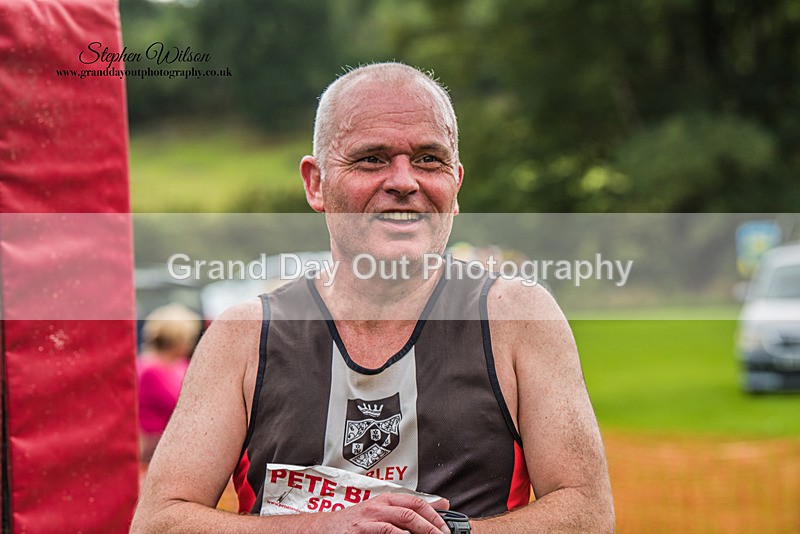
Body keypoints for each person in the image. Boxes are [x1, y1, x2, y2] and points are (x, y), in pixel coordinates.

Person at [131, 62, 614, 533]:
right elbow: (159, 521)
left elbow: (588, 513)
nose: (404, 181)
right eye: (372, 159)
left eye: (429, 159)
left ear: (457, 184)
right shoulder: (245, 335)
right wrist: (324, 529)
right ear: (315, 183)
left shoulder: (517, 316)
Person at [136, 303, 202, 463]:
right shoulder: (149, 369)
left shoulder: (181, 364)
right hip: (154, 451)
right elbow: (181, 404)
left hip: (176, 447)